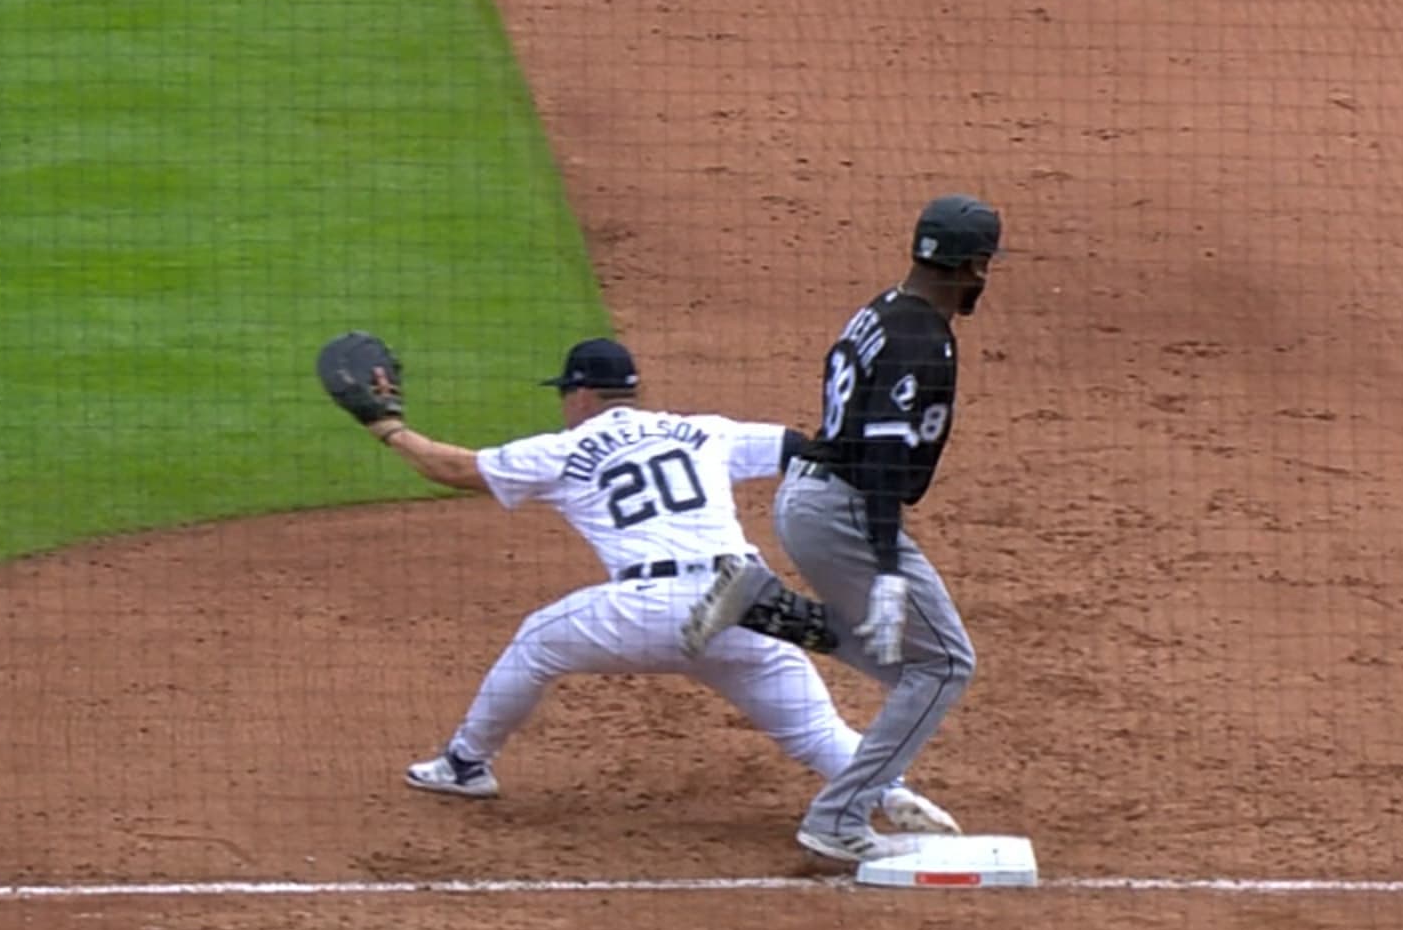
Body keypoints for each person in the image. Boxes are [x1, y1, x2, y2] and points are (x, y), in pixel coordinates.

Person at [361, 336, 960, 839]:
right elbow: (797, 447)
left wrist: (387, 426)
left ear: (582, 394)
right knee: (814, 729)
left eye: (566, 394)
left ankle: (465, 764)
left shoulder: (565, 449)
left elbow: (454, 468)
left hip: (650, 610)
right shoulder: (703, 431)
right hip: (746, 598)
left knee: (537, 640)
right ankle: (890, 792)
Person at [681, 194, 1000, 862]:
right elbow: (883, 459)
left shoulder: (881, 311)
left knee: (908, 661)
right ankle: (839, 817)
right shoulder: (922, 339)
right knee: (945, 664)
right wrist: (887, 566)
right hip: (847, 508)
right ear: (975, 266)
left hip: (809, 497)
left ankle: (765, 606)